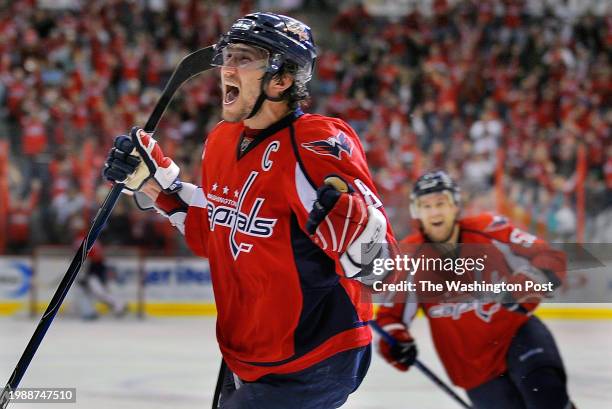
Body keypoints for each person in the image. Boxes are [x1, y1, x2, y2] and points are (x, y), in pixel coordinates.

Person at [102, 12, 394, 408]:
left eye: (244, 58)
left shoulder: (316, 142)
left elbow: (384, 267)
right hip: (248, 354)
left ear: (281, 79)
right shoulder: (221, 141)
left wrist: (364, 243)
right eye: (228, 56)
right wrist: (154, 184)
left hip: (316, 354)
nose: (227, 68)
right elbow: (215, 236)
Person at [375, 170, 576, 409]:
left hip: (518, 337)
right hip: (473, 368)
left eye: (441, 203)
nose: (435, 211)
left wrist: (526, 284)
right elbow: (390, 318)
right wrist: (397, 343)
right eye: (426, 206)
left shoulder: (488, 229)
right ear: (416, 212)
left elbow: (550, 258)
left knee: (549, 400)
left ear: (455, 205)